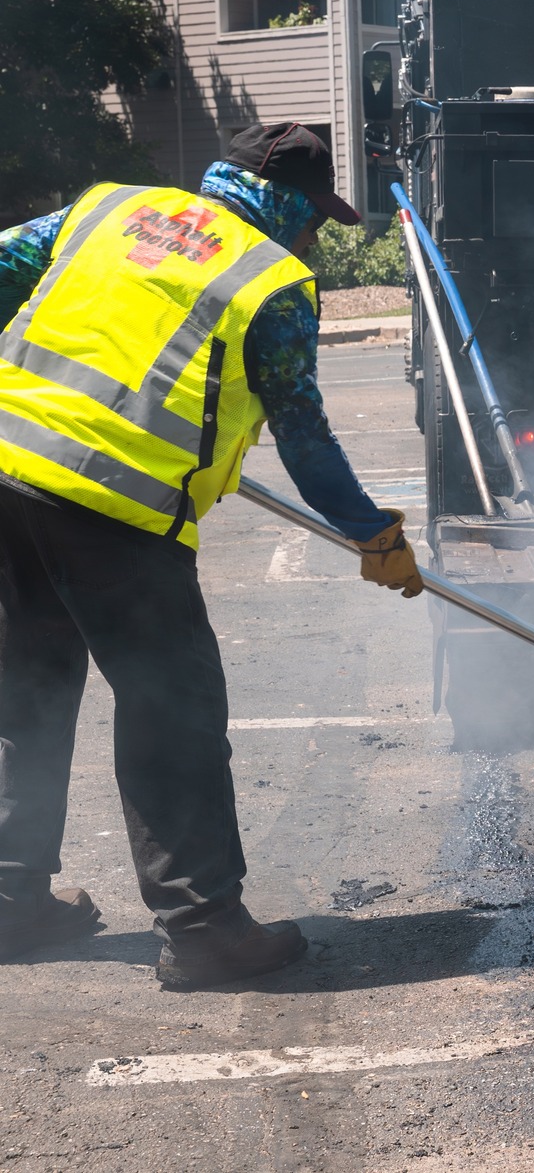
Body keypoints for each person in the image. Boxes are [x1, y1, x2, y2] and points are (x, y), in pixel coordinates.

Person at [0, 124, 425, 985]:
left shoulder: (109, 209)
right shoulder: (271, 283)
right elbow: (305, 443)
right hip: (111, 505)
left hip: (8, 471)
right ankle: (203, 928)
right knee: (172, 706)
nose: (313, 239)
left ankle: (11, 901)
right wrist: (372, 531)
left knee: (29, 687)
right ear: (291, 206)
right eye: (316, 221)